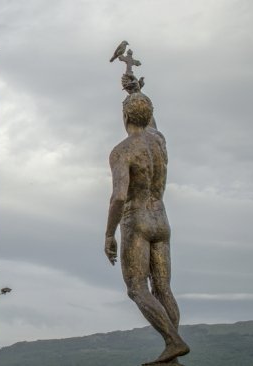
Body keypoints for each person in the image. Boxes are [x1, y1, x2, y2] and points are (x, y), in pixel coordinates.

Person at [104, 93, 190, 365]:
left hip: (137, 219)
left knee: (137, 287)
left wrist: (109, 233)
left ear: (125, 116)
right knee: (163, 287)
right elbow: (152, 124)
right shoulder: (159, 141)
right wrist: (134, 92)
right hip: (161, 219)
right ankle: (172, 356)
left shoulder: (123, 151)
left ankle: (173, 341)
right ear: (148, 115)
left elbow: (119, 196)